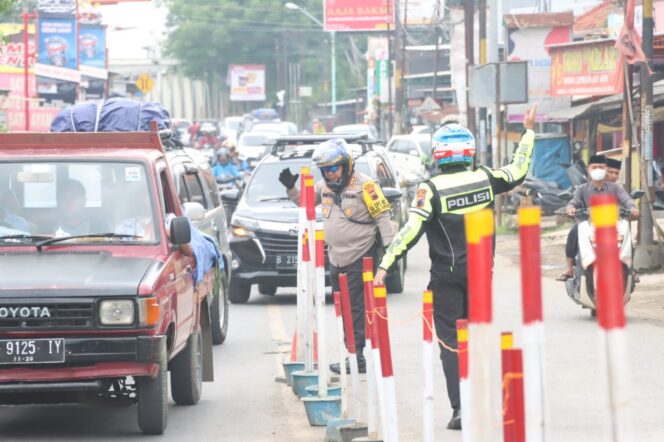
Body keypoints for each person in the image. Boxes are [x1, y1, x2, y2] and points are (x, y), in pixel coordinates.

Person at [374, 107, 539, 430]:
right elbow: (518, 170)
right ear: (470, 154)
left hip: (446, 278)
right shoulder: (486, 179)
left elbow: (410, 231)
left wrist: (385, 265)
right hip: (480, 274)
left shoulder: (430, 190)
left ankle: (461, 407)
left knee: (451, 342)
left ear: (438, 156)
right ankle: (479, 402)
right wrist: (528, 131)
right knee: (477, 338)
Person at [279, 138, 395, 374]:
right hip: (336, 258)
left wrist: (390, 253)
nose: (330, 174)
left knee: (355, 309)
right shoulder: (324, 187)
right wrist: (292, 189)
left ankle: (357, 357)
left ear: (346, 164)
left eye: (334, 168)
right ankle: (352, 354)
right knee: (344, 309)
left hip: (360, 255)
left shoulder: (366, 186)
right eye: (325, 170)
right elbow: (307, 203)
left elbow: (383, 216)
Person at [557, 155, 639, 281]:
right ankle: (569, 268)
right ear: (589, 169)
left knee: (628, 239)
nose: (598, 170)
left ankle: (630, 268)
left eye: (601, 167)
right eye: (594, 167)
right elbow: (574, 201)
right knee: (573, 232)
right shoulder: (582, 189)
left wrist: (632, 207)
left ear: (605, 169)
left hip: (612, 225)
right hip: (588, 225)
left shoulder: (615, 188)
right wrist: (571, 208)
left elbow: (626, 199)